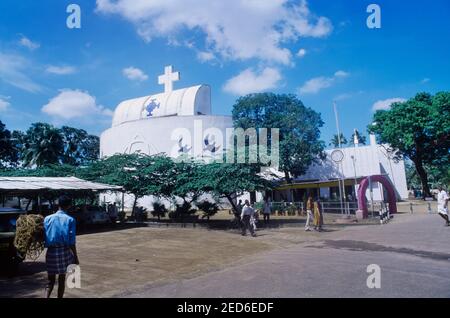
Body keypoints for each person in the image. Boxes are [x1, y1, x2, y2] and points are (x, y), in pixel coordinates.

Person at [44, 195, 79, 298]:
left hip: (50, 252)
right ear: (68, 206)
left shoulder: (47, 218)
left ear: (58, 204)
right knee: (62, 279)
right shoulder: (70, 220)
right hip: (64, 251)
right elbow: (72, 241)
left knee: (50, 280)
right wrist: (75, 257)